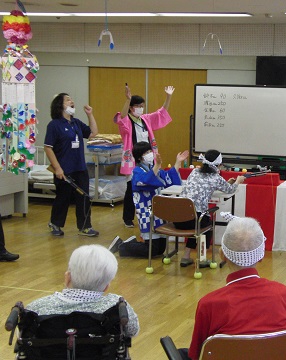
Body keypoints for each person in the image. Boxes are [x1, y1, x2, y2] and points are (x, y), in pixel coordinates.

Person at [180, 217, 286, 360]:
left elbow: (196, 354)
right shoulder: (282, 293)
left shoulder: (208, 304)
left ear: (222, 255)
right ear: (261, 256)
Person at [26, 244, 139, 338]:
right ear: (106, 287)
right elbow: (132, 331)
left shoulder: (36, 308)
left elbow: (24, 335)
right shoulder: (117, 307)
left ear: (67, 277)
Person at [108, 141, 188, 258]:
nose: (150, 154)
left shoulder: (153, 169)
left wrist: (177, 163)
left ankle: (131, 243)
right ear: (140, 156)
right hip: (147, 213)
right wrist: (157, 166)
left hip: (160, 213)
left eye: (150, 151)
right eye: (147, 152)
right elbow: (145, 181)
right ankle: (122, 245)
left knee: (160, 249)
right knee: (151, 250)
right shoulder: (137, 171)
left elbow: (168, 178)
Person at [114, 84, 175, 228]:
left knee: (150, 185)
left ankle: (149, 213)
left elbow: (161, 113)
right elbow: (121, 117)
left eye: (143, 105)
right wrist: (127, 99)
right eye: (138, 106)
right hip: (133, 158)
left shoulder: (145, 119)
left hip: (147, 157)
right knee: (131, 187)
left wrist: (168, 97)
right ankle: (128, 217)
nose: (141, 108)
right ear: (131, 107)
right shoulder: (127, 121)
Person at [175, 149, 245, 267]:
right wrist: (238, 181)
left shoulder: (194, 171)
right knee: (206, 224)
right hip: (195, 220)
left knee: (197, 221)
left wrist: (226, 183)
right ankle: (202, 259)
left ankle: (186, 256)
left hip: (178, 219)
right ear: (218, 164)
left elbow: (204, 185)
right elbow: (230, 190)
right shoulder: (215, 177)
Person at [44, 93, 99, 237]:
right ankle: (55, 224)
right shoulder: (54, 125)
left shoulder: (76, 122)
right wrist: (57, 168)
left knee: (84, 197)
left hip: (80, 167)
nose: (72, 101)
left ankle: (85, 226)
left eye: (71, 99)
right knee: (63, 198)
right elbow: (48, 147)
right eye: (68, 100)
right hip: (64, 168)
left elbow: (93, 133)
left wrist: (90, 114)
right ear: (60, 105)